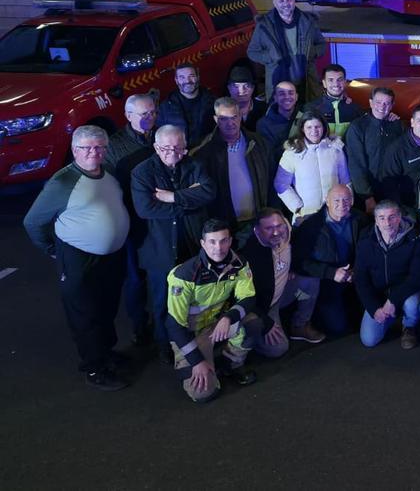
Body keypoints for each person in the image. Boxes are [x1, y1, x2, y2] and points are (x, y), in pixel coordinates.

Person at [23, 125, 131, 391]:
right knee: (85, 313)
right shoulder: (62, 182)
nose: (93, 152)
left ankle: (105, 352)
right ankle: (94, 368)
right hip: (79, 259)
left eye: (99, 147)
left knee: (106, 308)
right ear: (75, 150)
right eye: (86, 148)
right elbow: (33, 222)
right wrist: (52, 249)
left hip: (110, 257)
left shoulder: (108, 173)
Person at [130, 124, 215, 363]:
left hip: (190, 246)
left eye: (178, 148)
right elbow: (145, 208)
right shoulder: (142, 172)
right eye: (166, 148)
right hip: (160, 250)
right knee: (161, 302)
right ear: (156, 147)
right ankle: (163, 345)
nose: (172, 153)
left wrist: (172, 197)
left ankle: (191, 342)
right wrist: (189, 200)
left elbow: (209, 192)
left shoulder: (195, 164)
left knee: (193, 300)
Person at [164, 219, 257, 402]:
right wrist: (197, 361)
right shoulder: (184, 275)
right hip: (190, 334)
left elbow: (249, 297)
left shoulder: (239, 264)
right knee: (203, 394)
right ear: (203, 244)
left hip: (217, 325)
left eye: (223, 241)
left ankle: (229, 364)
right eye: (212, 242)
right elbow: (174, 325)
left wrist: (229, 317)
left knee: (253, 323)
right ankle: (204, 364)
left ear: (230, 241)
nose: (218, 247)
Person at [103, 93, 157, 345]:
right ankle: (139, 325)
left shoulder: (161, 136)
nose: (149, 118)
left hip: (159, 220)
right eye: (143, 114)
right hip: (132, 222)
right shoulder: (115, 147)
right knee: (135, 278)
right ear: (128, 116)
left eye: (152, 112)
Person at [239, 208, 325, 358]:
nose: (276, 232)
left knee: (309, 281)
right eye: (269, 228)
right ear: (257, 231)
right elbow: (245, 298)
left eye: (279, 226)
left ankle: (300, 325)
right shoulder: (250, 255)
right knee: (278, 349)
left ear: (285, 224)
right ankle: (248, 342)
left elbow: (300, 256)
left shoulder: (291, 236)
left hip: (283, 294)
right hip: (263, 307)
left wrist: (293, 268)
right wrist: (266, 322)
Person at [192, 97, 275, 241]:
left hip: (259, 220)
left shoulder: (259, 143)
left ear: (241, 115)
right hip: (226, 227)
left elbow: (273, 180)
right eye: (223, 119)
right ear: (215, 119)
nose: (230, 123)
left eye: (234, 117)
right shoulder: (203, 152)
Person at [291, 185, 366, 337]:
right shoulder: (311, 227)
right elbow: (299, 263)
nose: (341, 204)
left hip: (354, 277)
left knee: (361, 322)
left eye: (346, 200)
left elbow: (368, 251)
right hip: (326, 282)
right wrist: (331, 273)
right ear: (327, 201)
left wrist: (357, 269)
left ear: (352, 201)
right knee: (337, 328)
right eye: (336, 200)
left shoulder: (360, 219)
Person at [355, 200, 420, 349]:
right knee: (369, 340)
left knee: (412, 303)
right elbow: (361, 280)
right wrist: (374, 308)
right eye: (382, 218)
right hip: (379, 295)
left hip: (406, 291)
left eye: (392, 217)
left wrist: (393, 300)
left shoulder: (415, 239)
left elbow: (418, 277)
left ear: (400, 217)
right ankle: (389, 317)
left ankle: (410, 326)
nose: (387, 223)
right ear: (376, 221)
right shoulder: (365, 242)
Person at [247, 0, 326, 103]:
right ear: (274, 3)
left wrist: (312, 53)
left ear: (294, 1)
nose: (286, 4)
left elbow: (321, 45)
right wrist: (270, 57)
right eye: (281, 1)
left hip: (306, 81)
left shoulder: (307, 21)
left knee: (307, 115)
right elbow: (252, 52)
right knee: (282, 116)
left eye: (289, 0)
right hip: (277, 81)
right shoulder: (264, 25)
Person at [275, 112, 350, 221]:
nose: (314, 131)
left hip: (334, 215)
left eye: (317, 126)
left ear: (324, 127)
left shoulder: (335, 149)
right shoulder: (292, 153)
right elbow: (281, 183)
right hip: (306, 215)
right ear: (302, 129)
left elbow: (345, 181)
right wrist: (297, 207)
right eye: (309, 127)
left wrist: (345, 205)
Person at [344, 86, 405, 213]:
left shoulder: (398, 126)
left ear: (392, 105)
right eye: (378, 102)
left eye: (387, 103)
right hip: (368, 194)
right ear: (370, 102)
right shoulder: (358, 127)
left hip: (393, 192)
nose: (382, 107)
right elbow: (356, 165)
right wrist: (367, 196)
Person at [159, 63, 216, 148]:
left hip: (207, 150)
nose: (187, 81)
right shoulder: (166, 107)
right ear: (176, 80)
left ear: (198, 77)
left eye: (191, 76)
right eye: (182, 77)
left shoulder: (212, 101)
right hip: (181, 155)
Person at [303, 63, 364, 139]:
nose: (336, 84)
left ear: (345, 82)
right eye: (330, 80)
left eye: (340, 80)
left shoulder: (356, 109)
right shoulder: (311, 108)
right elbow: (301, 136)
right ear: (324, 83)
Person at [256, 80, 302, 162]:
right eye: (282, 94)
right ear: (275, 98)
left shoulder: (305, 118)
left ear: (296, 97)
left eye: (291, 93)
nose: (287, 97)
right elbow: (267, 155)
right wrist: (286, 146)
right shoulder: (264, 124)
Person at [225, 65, 267, 133]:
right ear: (229, 88)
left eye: (246, 86)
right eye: (236, 86)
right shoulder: (222, 112)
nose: (241, 91)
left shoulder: (264, 109)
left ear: (253, 88)